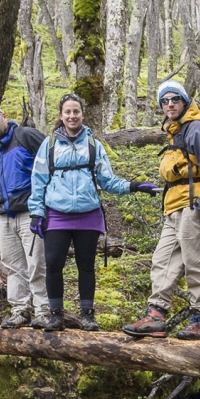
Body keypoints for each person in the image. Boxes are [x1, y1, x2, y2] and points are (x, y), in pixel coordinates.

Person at [28, 94, 158, 332]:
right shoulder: (49, 145)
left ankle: (87, 315)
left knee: (86, 265)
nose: (72, 116)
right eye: (67, 112)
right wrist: (37, 212)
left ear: (82, 115)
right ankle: (56, 315)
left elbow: (107, 181)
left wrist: (134, 186)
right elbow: (38, 180)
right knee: (53, 264)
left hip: (88, 213)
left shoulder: (93, 145)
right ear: (61, 115)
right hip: (56, 213)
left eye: (76, 111)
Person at [123, 80, 200, 340]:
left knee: (195, 261)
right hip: (175, 206)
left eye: (175, 99)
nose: (170, 104)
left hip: (194, 205)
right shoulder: (175, 131)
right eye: (165, 101)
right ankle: (156, 315)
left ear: (184, 101)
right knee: (163, 259)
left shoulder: (196, 129)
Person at [0, 102, 50, 329]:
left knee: (37, 264)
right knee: (12, 266)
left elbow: (53, 161)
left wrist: (47, 203)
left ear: (3, 116)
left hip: (30, 212)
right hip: (3, 216)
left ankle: (44, 311)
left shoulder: (25, 136)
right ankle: (20, 310)